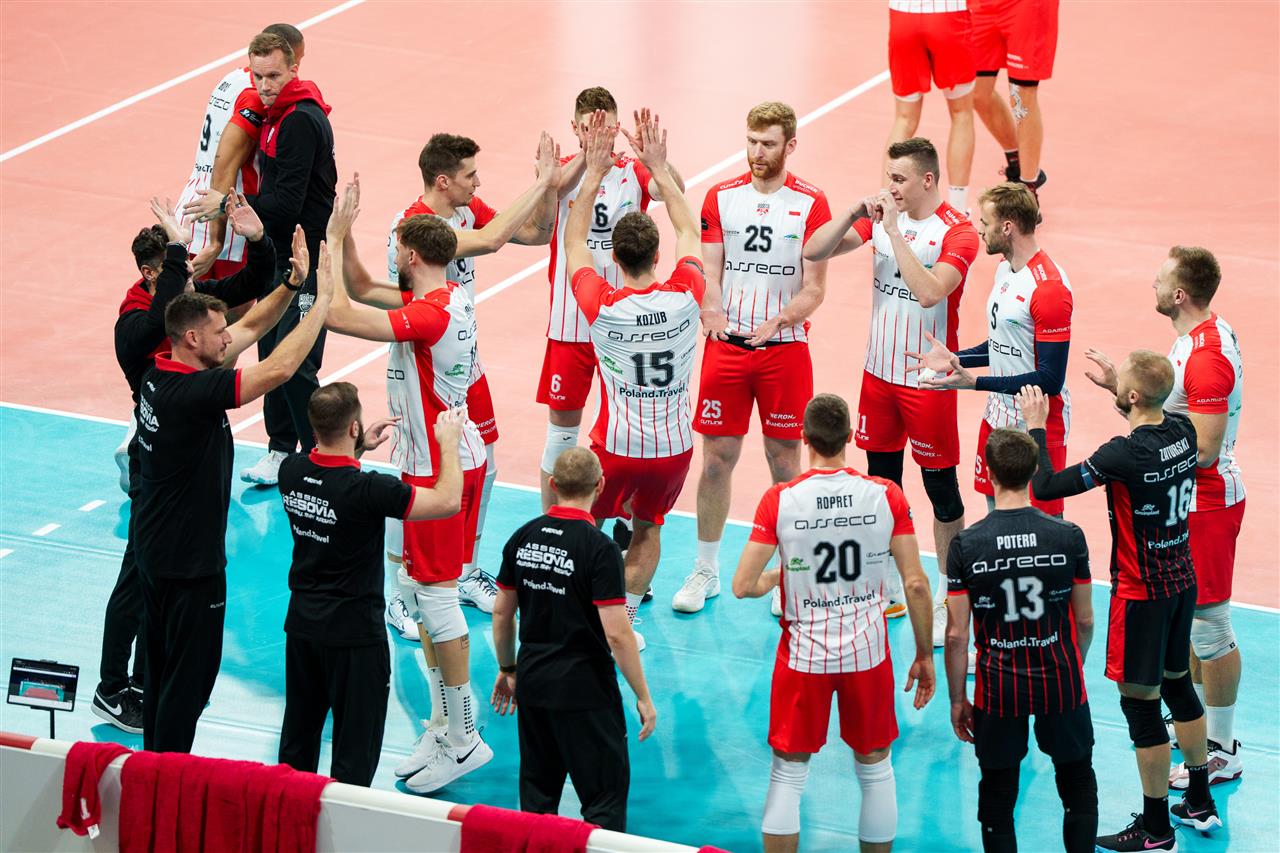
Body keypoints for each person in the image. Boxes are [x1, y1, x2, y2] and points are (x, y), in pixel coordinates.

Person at [322, 178, 527, 793]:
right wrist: (346, 242)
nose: (392, 254)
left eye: (395, 247)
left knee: (436, 601)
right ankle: (441, 723)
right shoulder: (447, 295)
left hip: (441, 467)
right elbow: (362, 287)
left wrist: (332, 235)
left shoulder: (430, 315)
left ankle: (464, 739)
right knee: (418, 593)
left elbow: (339, 312)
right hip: (435, 458)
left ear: (411, 255)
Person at [96, 196, 300, 735]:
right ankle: (112, 688)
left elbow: (250, 290)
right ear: (153, 275)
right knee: (137, 581)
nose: (192, 277)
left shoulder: (186, 307)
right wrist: (180, 253)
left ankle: (147, 685)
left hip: (184, 447)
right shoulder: (135, 325)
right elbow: (159, 322)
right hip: (156, 458)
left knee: (152, 584)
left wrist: (258, 241)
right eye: (177, 271)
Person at [135, 199, 332, 753]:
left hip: (156, 555)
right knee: (189, 683)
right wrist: (321, 305)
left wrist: (291, 285)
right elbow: (280, 368)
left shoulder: (163, 373)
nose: (229, 338)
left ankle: (152, 767)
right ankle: (167, 774)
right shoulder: (193, 394)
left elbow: (251, 325)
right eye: (218, 332)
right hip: (191, 568)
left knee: (159, 675)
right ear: (192, 340)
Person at [1019, 357, 1222, 850]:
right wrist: (1121, 387)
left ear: (1132, 397)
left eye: (1123, 378)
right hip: (1182, 580)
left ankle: (1155, 830)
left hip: (1141, 594)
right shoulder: (1184, 430)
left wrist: (1036, 427)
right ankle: (1199, 800)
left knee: (1140, 707)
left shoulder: (1121, 454)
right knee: (1178, 686)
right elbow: (1148, 427)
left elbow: (1045, 487)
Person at [732, 393, 935, 853]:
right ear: (851, 437)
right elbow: (917, 585)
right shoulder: (886, 495)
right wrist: (924, 654)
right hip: (867, 654)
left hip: (804, 657)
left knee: (788, 775)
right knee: (876, 769)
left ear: (804, 438)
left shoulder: (780, 500)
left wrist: (787, 572)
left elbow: (743, 585)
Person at [380, 131, 558, 623]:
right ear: (443, 181)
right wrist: (543, 181)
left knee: (485, 464)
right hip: (421, 365)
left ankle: (463, 570)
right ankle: (397, 590)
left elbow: (535, 233)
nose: (478, 183)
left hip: (463, 357)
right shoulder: (414, 227)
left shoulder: (465, 209)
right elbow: (493, 239)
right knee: (418, 474)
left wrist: (551, 187)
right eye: (470, 176)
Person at [805, 137, 978, 639]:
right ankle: (892, 586)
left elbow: (929, 293)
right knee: (883, 484)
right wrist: (852, 213)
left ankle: (949, 593)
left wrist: (894, 230)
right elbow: (813, 249)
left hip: (929, 381)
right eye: (888, 177)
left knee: (942, 491)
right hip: (878, 375)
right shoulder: (880, 218)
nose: (891, 187)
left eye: (899, 179)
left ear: (928, 179)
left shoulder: (958, 232)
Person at [1086, 247, 1246, 789]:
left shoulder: (1206, 358)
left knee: (1211, 628)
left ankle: (1222, 747)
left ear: (1179, 294)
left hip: (1206, 504)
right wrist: (1123, 393)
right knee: (1192, 626)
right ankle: (1195, 726)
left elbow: (1203, 449)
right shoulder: (1190, 341)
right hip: (1189, 502)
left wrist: (1138, 459)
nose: (1151, 286)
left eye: (1159, 280)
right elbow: (1169, 421)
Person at [680, 101, 832, 617]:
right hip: (727, 348)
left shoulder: (812, 203)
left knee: (785, 462)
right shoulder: (720, 197)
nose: (757, 152)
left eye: (768, 143)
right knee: (715, 460)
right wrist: (711, 307)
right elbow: (711, 271)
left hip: (784, 351)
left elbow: (815, 289)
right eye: (751, 141)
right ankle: (705, 569)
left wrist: (780, 321)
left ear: (791, 145)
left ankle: (791, 576)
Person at [277, 387, 465, 787]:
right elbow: (448, 501)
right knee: (354, 754)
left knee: (297, 743)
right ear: (353, 426)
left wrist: (358, 445)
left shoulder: (290, 471)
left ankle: (289, 817)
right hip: (354, 639)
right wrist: (449, 442)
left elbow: (327, 474)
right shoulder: (370, 491)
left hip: (303, 630)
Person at [566, 110, 704, 648]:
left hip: (617, 445)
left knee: (587, 524)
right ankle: (624, 619)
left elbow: (575, 241)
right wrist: (659, 168)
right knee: (648, 527)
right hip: (672, 447)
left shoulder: (602, 305)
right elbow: (689, 227)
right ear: (657, 255)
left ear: (616, 258)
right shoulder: (686, 295)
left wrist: (593, 173)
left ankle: (584, 611)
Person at [187, 30, 337, 484]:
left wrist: (226, 205)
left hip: (304, 259)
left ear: (294, 69)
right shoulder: (275, 115)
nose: (265, 85)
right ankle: (279, 449)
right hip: (279, 254)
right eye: (258, 76)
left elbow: (287, 203)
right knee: (271, 350)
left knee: (298, 361)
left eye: (274, 75)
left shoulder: (299, 121)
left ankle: (319, 458)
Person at [944, 427, 1097, 852]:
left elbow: (955, 635)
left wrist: (958, 699)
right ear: (1033, 473)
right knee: (1078, 783)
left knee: (997, 797)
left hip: (998, 688)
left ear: (989, 473)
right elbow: (1085, 620)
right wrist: (1073, 666)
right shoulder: (1068, 536)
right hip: (1061, 679)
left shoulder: (967, 545)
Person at [536, 86, 685, 515]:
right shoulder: (560, 170)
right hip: (570, 322)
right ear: (575, 129)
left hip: (623, 325)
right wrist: (589, 158)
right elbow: (549, 199)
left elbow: (672, 190)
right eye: (590, 130)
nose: (599, 137)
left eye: (607, 130)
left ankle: (622, 522)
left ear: (618, 129)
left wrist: (657, 161)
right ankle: (553, 522)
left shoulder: (631, 172)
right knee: (561, 430)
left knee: (623, 430)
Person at [490, 447, 656, 831]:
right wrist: (643, 696)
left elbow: (501, 613)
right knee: (603, 803)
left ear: (553, 484)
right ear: (600, 485)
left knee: (537, 801)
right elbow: (617, 633)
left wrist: (508, 668)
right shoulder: (600, 548)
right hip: (586, 690)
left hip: (534, 683)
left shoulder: (523, 537)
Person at [907, 181, 1072, 516]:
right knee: (996, 512)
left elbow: (1050, 380)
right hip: (996, 414)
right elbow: (1001, 344)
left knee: (1043, 522)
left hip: (1037, 422)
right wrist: (956, 358)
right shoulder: (1004, 269)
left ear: (1007, 227)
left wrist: (976, 383)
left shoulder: (1049, 289)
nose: (979, 229)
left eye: (985, 222)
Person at [176, 23, 305, 280]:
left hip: (192, 206)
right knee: (230, 305)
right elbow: (226, 163)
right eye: (297, 62)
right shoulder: (256, 97)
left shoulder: (232, 78)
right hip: (224, 225)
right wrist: (216, 242)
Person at [885, 0, 977, 212]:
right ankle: (958, 210)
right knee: (961, 113)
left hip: (903, 15)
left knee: (904, 119)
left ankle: (886, 209)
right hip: (950, 15)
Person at [969, 0, 1059, 197]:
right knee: (976, 92)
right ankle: (1018, 164)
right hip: (982, 5)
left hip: (1025, 7)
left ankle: (1027, 190)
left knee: (1021, 98)